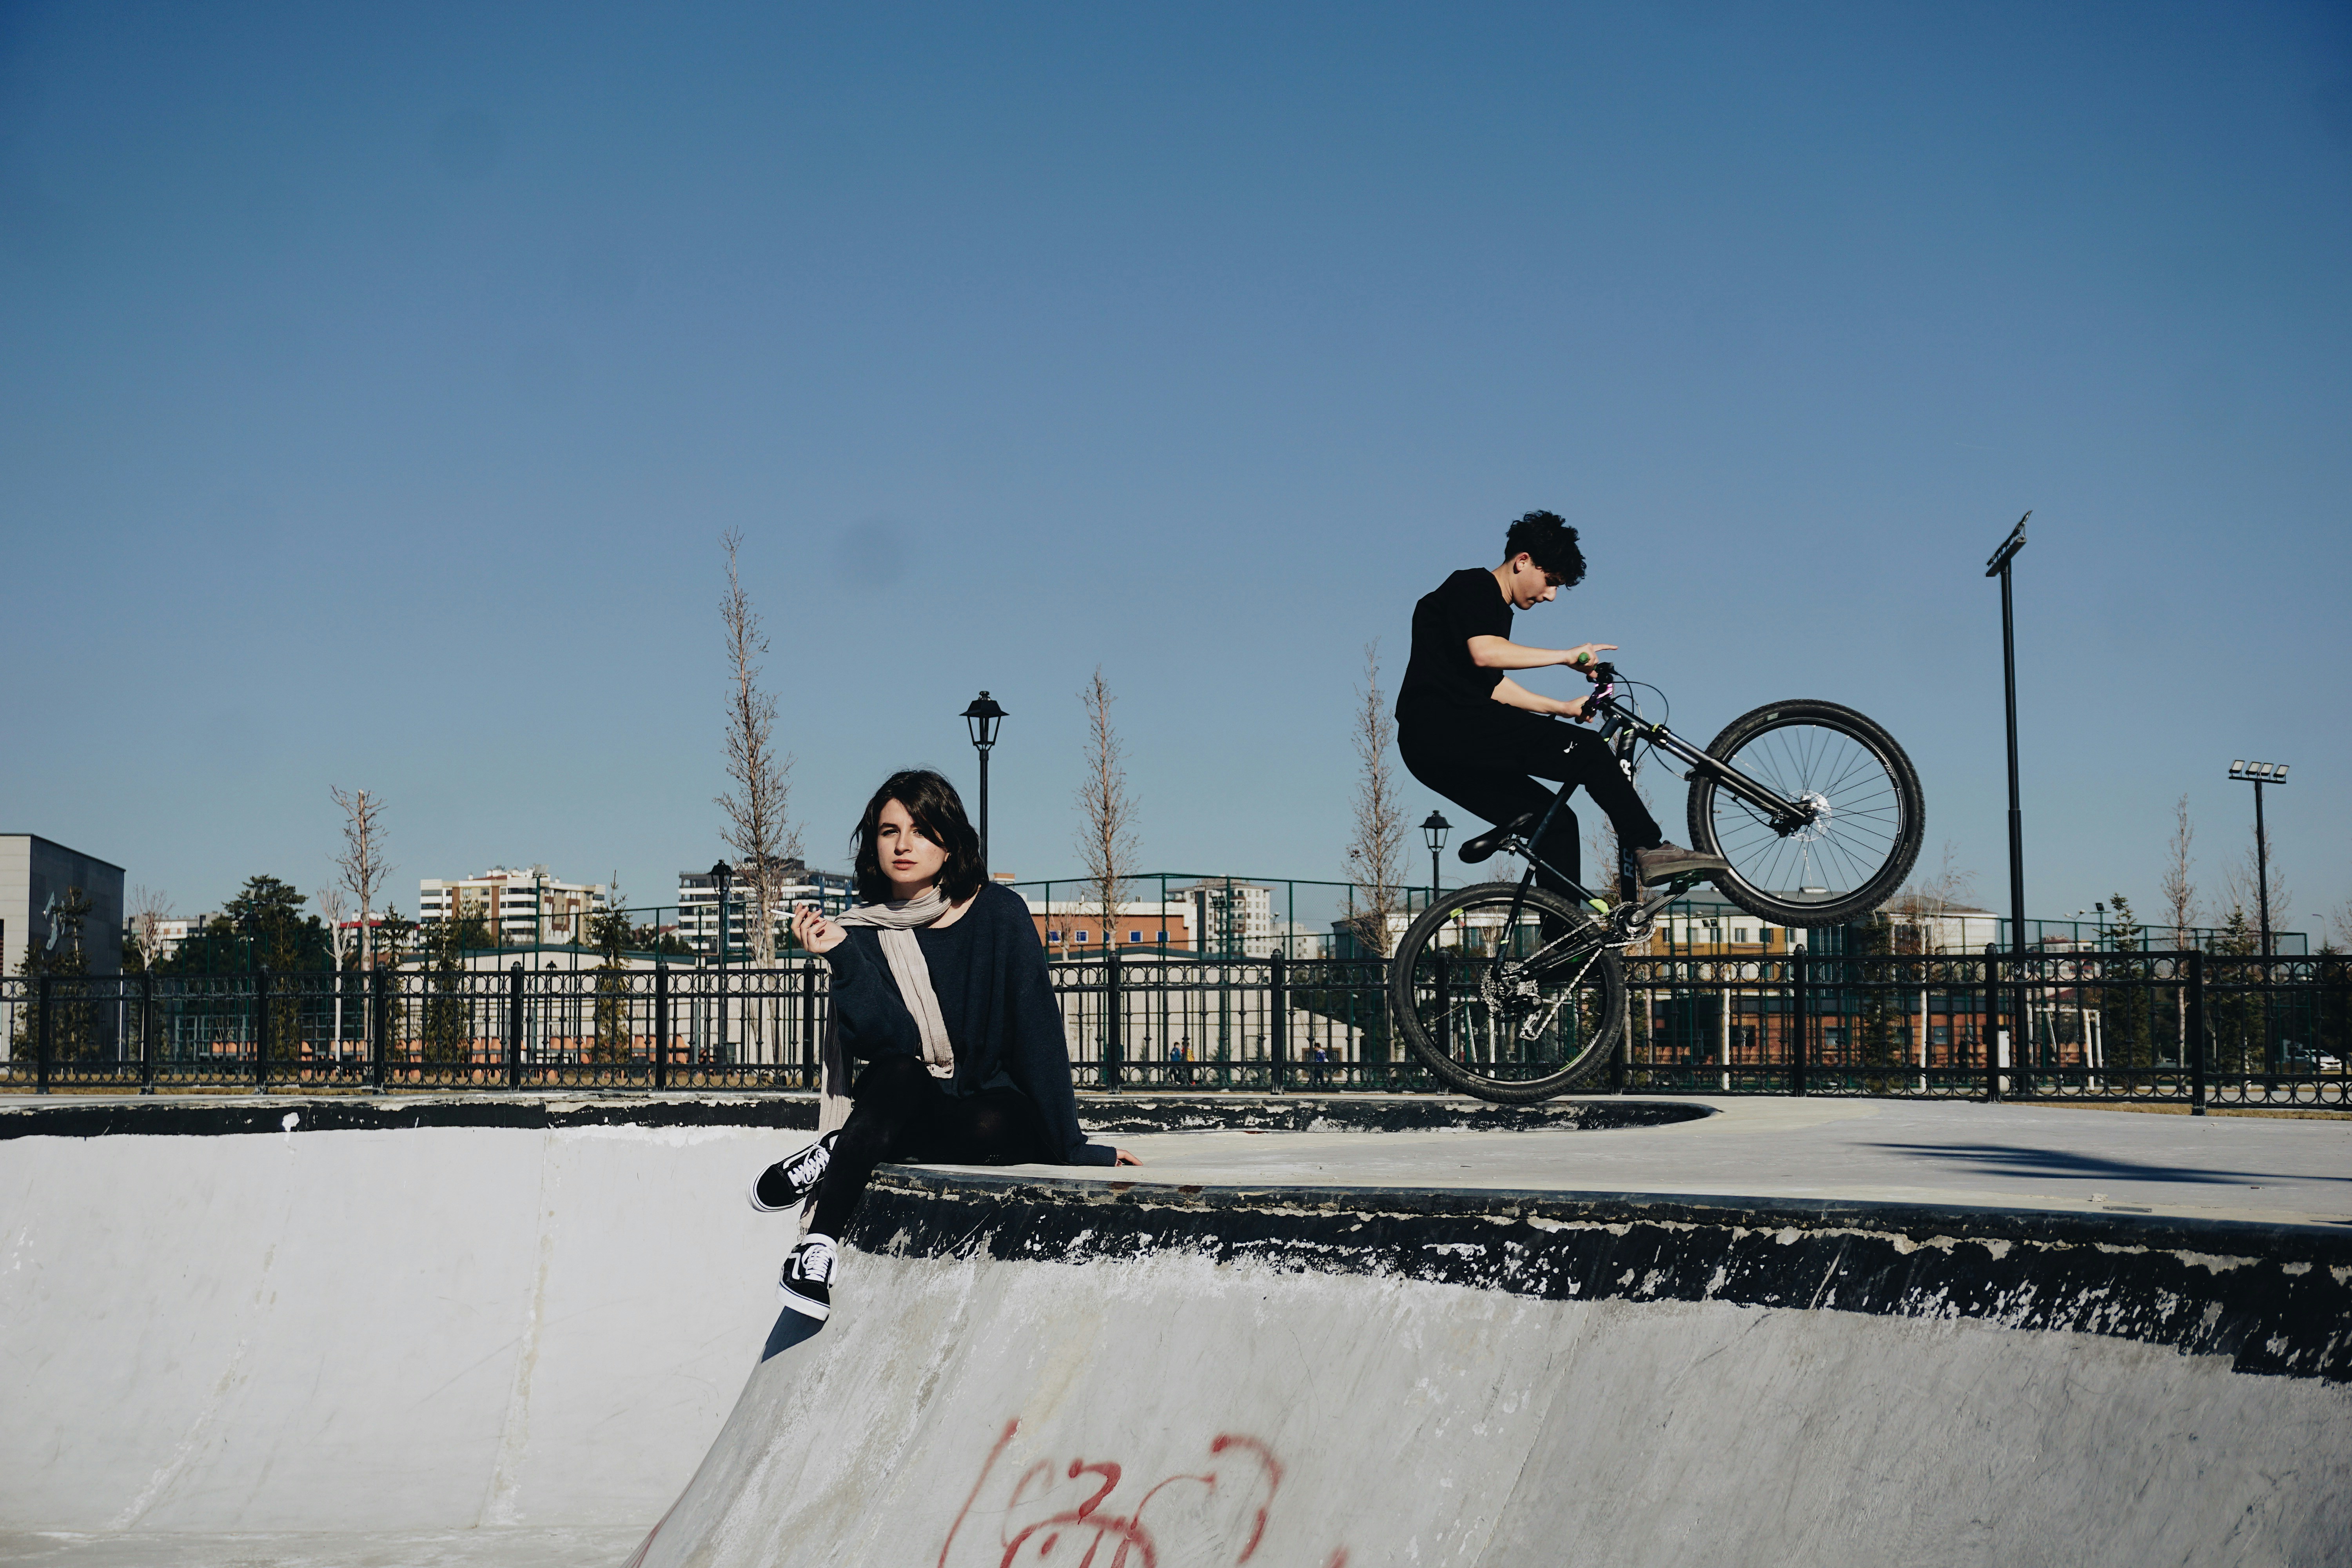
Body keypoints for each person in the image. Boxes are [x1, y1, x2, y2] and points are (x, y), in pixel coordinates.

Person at [747, 769, 1138, 1322]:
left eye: (921, 828)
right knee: (897, 1074)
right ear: (872, 845)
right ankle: (818, 1248)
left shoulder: (999, 913)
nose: (904, 845)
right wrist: (841, 957)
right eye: (889, 831)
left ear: (951, 841)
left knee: (998, 1124)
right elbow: (893, 1041)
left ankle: (843, 1148)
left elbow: (1037, 1031)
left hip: (991, 1103)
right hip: (910, 1095)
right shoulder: (861, 932)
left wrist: (1073, 1145)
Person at [1396, 510, 1728, 901]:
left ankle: (1560, 952)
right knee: (1589, 753)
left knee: (1556, 825)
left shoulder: (1490, 611)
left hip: (1436, 748)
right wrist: (1565, 656)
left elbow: (1494, 687)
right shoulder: (1473, 586)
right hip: (1445, 727)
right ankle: (1650, 847)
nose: (1550, 595)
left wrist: (1562, 707)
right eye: (1550, 581)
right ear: (1523, 561)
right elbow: (1485, 654)